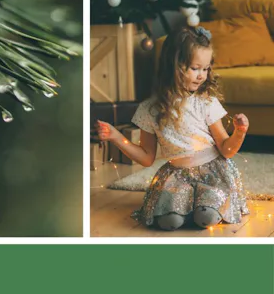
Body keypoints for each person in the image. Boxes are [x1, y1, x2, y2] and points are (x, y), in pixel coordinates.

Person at [96, 24, 249, 230]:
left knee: (206, 217)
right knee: (169, 222)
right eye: (195, 68)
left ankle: (200, 208)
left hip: (212, 175)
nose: (201, 75)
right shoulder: (149, 109)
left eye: (205, 69)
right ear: (173, 66)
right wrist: (116, 137)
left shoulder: (206, 103)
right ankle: (185, 209)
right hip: (177, 176)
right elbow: (146, 157)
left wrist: (239, 133)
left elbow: (226, 150)